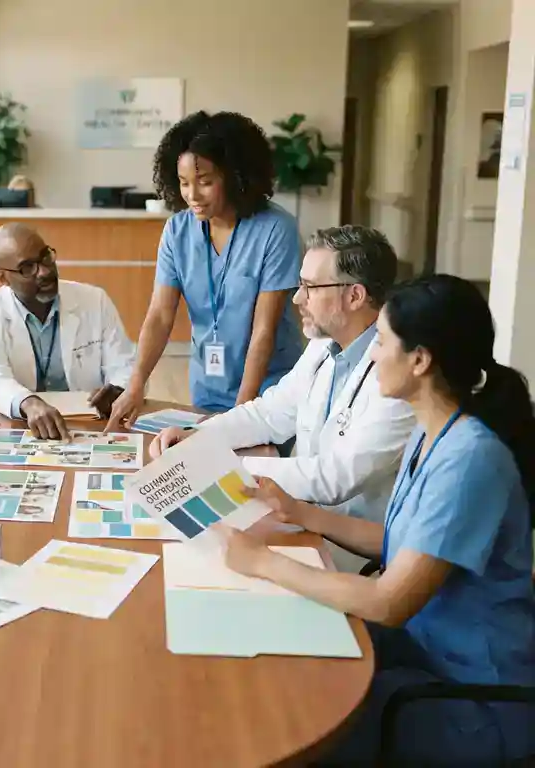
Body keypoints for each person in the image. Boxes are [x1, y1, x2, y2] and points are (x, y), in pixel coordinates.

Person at [217, 275, 535, 765]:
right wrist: (302, 514)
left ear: (420, 360)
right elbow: (399, 541)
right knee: (280, 657)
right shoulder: (435, 431)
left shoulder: (470, 459)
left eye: (382, 343)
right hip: (421, 657)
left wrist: (262, 562)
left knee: (295, 715)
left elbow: (389, 603)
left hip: (467, 697)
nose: (370, 355)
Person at [151, 226, 416, 529]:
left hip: (344, 546)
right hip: (293, 515)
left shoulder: (397, 374)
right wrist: (200, 437)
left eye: (310, 287)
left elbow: (335, 478)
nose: (297, 299)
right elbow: (269, 414)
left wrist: (224, 464)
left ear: (355, 296)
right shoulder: (321, 347)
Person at [107, 110, 303, 429]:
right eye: (184, 183)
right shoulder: (177, 231)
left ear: (236, 176)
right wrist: (136, 383)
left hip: (268, 389)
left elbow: (263, 331)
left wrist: (242, 415)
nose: (192, 195)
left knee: (252, 473)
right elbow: (160, 315)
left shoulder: (275, 229)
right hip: (208, 385)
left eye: (205, 182)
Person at [0, 222, 136, 440]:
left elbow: (126, 365)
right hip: (22, 426)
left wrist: (119, 388)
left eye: (45, 257)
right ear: (3, 278)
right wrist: (28, 403)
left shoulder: (94, 300)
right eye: (27, 268)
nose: (44, 272)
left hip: (91, 426)